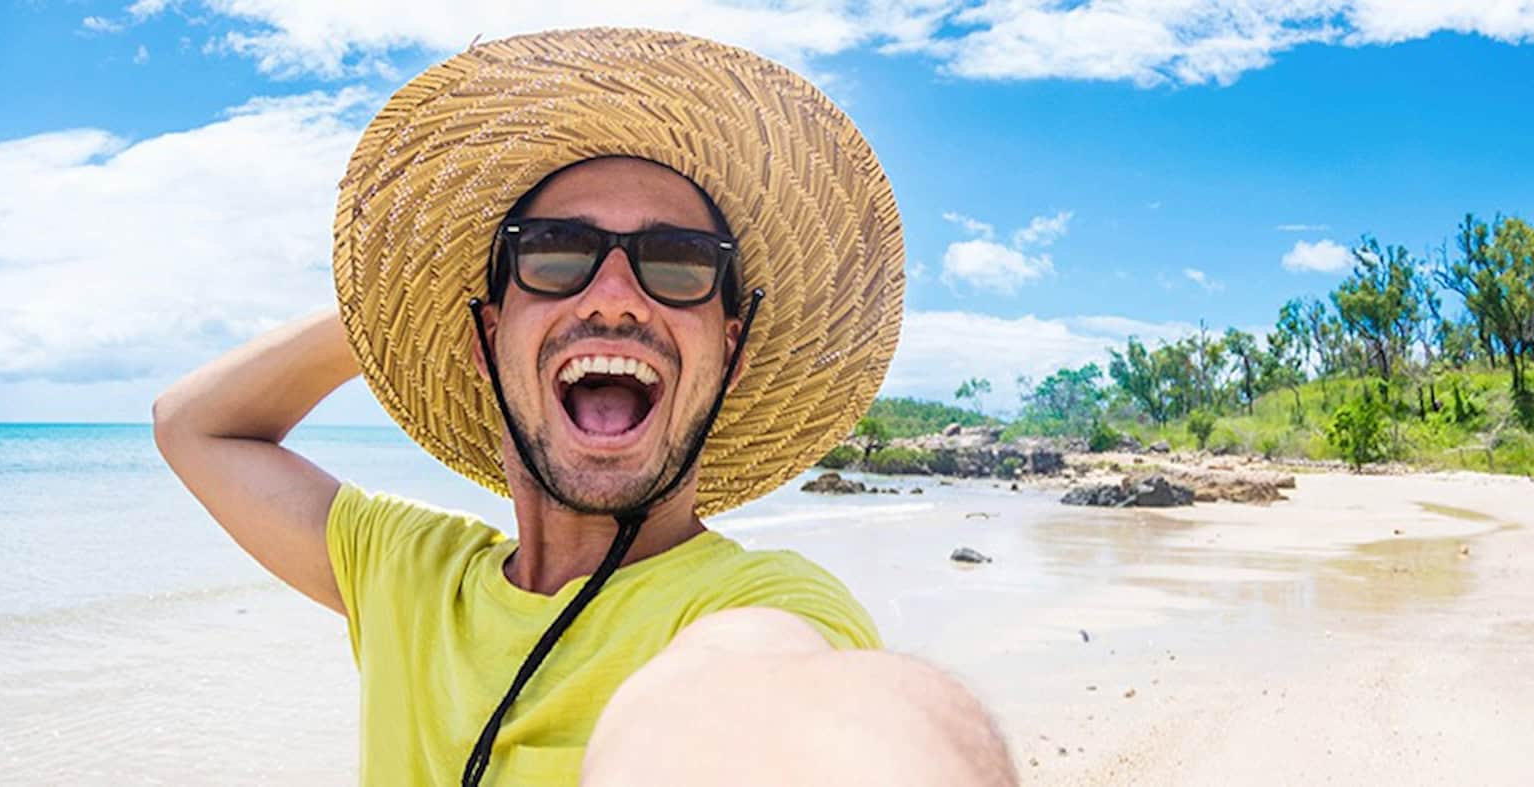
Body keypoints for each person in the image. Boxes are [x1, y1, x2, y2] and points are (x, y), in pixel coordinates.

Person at [152, 27, 1014, 786]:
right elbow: (192, 425)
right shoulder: (409, 575)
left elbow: (793, 713)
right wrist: (395, 298)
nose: (614, 296)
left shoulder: (755, 605)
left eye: (677, 261)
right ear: (487, 338)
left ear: (735, 350)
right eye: (557, 253)